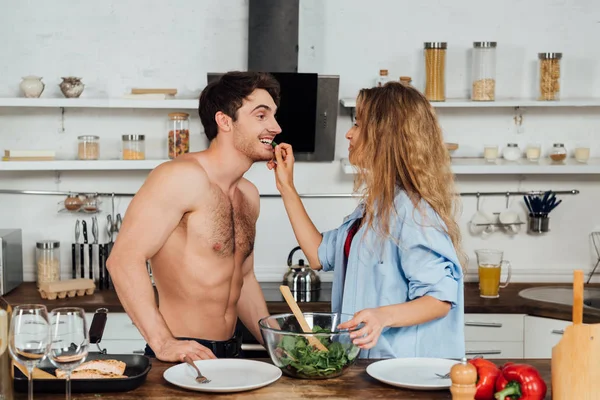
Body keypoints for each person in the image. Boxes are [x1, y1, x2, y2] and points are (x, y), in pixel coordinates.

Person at [268, 81, 466, 359]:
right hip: (369, 368)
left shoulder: (412, 211)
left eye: (359, 125)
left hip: (404, 372)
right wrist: (286, 187)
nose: (349, 134)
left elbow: (440, 299)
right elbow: (317, 255)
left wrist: (382, 316)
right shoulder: (374, 206)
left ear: (385, 136)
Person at [107, 71, 282, 362]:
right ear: (224, 121)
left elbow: (244, 277)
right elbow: (123, 260)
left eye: (274, 116)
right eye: (261, 116)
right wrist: (163, 343)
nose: (276, 127)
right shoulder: (180, 177)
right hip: (181, 354)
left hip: (231, 353)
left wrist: (275, 343)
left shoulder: (248, 195)